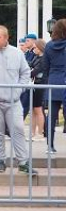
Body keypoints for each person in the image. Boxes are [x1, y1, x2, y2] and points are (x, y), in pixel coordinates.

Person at [0, 26, 35, 175]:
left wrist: (19, 89)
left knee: (18, 129)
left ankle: (23, 162)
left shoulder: (17, 53)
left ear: (6, 38)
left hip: (13, 101)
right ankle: (0, 159)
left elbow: (25, 73)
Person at [44, 19, 66, 154]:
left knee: (51, 116)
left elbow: (45, 66)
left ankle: (50, 145)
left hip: (53, 80)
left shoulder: (48, 46)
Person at [28, 38, 48, 143]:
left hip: (41, 84)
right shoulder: (36, 57)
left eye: (35, 47)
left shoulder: (44, 59)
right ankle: (32, 132)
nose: (33, 49)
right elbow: (30, 66)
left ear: (40, 48)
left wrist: (28, 72)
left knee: (38, 109)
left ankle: (40, 133)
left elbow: (36, 71)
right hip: (35, 84)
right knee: (33, 110)